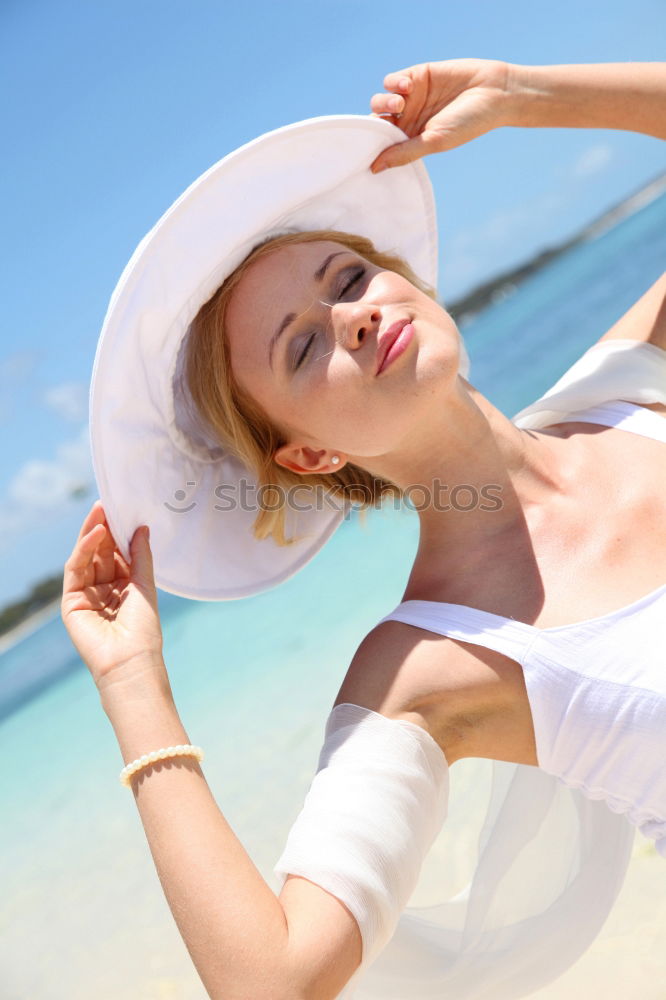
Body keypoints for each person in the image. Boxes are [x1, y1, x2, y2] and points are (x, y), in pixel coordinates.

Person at [62, 59, 666, 1000]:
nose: (352, 317)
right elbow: (275, 982)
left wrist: (523, 95)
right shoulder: (430, 665)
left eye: (350, 276)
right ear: (305, 456)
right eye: (302, 344)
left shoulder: (634, 391)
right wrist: (133, 684)